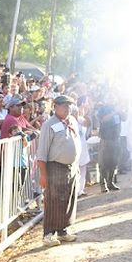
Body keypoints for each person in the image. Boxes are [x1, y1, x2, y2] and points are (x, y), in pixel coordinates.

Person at [35, 95, 81, 247]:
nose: (67, 108)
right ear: (55, 106)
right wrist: (43, 174)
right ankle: (48, 233)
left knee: (68, 199)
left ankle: (63, 230)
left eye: (69, 105)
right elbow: (42, 152)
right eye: (63, 105)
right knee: (53, 200)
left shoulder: (72, 121)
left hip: (71, 166)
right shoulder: (49, 124)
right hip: (55, 166)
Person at [97, 104, 122, 192]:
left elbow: (124, 118)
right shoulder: (103, 108)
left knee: (114, 162)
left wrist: (120, 111)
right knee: (104, 163)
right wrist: (114, 112)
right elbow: (103, 120)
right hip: (106, 140)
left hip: (116, 139)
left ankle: (110, 182)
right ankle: (103, 185)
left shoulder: (117, 107)